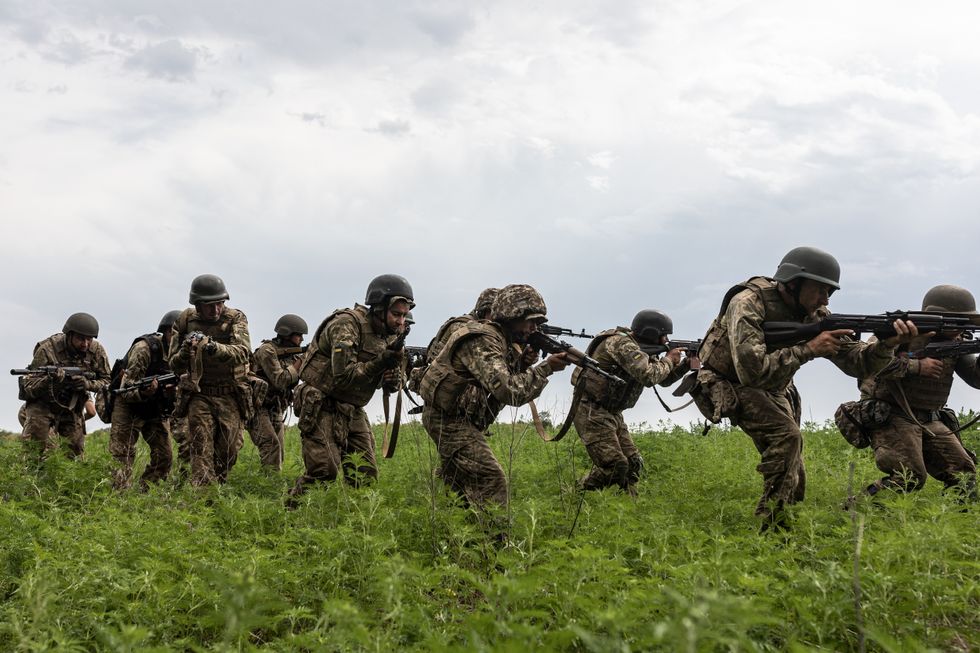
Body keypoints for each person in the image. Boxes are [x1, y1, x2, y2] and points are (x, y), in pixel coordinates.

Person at [694, 246, 918, 531]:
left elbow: (858, 362)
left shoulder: (816, 313)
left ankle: (786, 519)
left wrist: (887, 344)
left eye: (830, 293)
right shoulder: (748, 302)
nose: (825, 299)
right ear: (793, 282)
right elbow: (751, 372)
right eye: (820, 290)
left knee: (794, 469)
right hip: (730, 381)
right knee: (787, 438)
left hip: (775, 384)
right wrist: (809, 349)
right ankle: (772, 527)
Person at [419, 284, 568, 524]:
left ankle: (456, 540)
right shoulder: (481, 339)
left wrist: (522, 364)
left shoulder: (500, 339)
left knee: (457, 489)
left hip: (463, 419)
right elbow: (510, 391)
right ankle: (495, 548)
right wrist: (546, 368)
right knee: (491, 477)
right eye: (531, 321)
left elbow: (497, 381)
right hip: (449, 421)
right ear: (511, 316)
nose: (534, 328)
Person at [288, 274, 414, 499]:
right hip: (321, 401)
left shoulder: (392, 336)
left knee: (364, 475)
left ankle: (357, 524)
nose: (401, 322)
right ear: (378, 308)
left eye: (404, 315)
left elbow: (394, 383)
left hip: (353, 407)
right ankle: (291, 513)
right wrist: (381, 362)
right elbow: (344, 376)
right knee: (323, 471)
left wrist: (393, 378)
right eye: (396, 314)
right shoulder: (347, 324)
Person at [853, 285, 978, 499]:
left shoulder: (958, 341)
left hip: (930, 418)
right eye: (957, 321)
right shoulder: (899, 333)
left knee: (964, 474)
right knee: (909, 476)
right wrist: (916, 366)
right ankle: (857, 509)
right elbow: (868, 365)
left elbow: (976, 378)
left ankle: (953, 525)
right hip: (892, 414)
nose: (962, 327)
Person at [572, 310, 695, 495]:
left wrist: (685, 364)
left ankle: (630, 505)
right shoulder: (621, 344)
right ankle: (578, 492)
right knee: (615, 465)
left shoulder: (642, 349)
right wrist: (669, 360)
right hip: (591, 409)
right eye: (663, 335)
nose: (666, 339)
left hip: (613, 412)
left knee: (633, 463)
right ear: (651, 333)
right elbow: (649, 376)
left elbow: (663, 380)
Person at [169, 274, 252, 486]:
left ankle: (218, 489)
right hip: (200, 394)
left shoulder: (235, 318)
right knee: (200, 451)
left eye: (219, 304)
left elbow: (243, 352)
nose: (215, 310)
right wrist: (186, 352)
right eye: (209, 305)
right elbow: (173, 364)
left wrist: (212, 347)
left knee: (228, 452)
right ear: (197, 305)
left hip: (230, 394)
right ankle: (202, 500)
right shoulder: (185, 320)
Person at [19, 312, 111, 464]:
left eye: (89, 339)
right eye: (81, 339)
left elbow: (107, 380)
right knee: (33, 452)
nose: (86, 344)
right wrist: (51, 380)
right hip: (43, 405)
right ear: (69, 335)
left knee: (73, 453)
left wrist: (87, 385)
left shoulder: (96, 351)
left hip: (72, 406)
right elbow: (29, 386)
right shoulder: (47, 349)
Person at [107, 310, 181, 490]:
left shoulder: (182, 355)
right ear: (168, 332)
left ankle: (146, 493)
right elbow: (125, 388)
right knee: (121, 457)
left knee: (164, 457)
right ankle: (117, 497)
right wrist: (145, 392)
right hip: (128, 404)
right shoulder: (144, 348)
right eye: (178, 334)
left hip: (155, 407)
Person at [248, 314, 307, 470]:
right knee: (270, 445)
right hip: (258, 407)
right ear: (287, 332)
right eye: (298, 335)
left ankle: (274, 486)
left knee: (279, 451)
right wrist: (300, 361)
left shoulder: (292, 354)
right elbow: (280, 380)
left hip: (277, 407)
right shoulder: (267, 350)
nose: (301, 339)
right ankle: (268, 486)